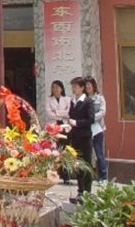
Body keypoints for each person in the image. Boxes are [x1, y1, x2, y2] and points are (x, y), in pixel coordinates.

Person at [68, 76, 94, 204]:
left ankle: (87, 192)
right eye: (72, 87)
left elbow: (90, 119)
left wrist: (76, 123)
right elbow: (70, 116)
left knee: (86, 165)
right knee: (77, 165)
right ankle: (80, 191)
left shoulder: (87, 102)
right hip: (75, 137)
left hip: (84, 137)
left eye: (75, 87)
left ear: (82, 88)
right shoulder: (73, 101)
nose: (73, 89)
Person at [45, 80, 72, 184]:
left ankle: (66, 176)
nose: (55, 89)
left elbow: (69, 113)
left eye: (57, 87)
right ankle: (53, 174)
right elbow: (49, 114)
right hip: (53, 128)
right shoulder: (48, 99)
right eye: (53, 87)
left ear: (61, 89)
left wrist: (56, 112)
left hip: (64, 127)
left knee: (64, 151)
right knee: (53, 151)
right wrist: (62, 113)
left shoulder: (67, 99)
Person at [85, 76, 108, 183]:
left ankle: (103, 177)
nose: (87, 87)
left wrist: (92, 118)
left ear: (93, 85)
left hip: (98, 129)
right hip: (86, 129)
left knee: (99, 153)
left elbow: (102, 112)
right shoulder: (84, 99)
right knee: (87, 154)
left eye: (89, 84)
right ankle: (89, 176)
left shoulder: (99, 98)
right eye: (86, 85)